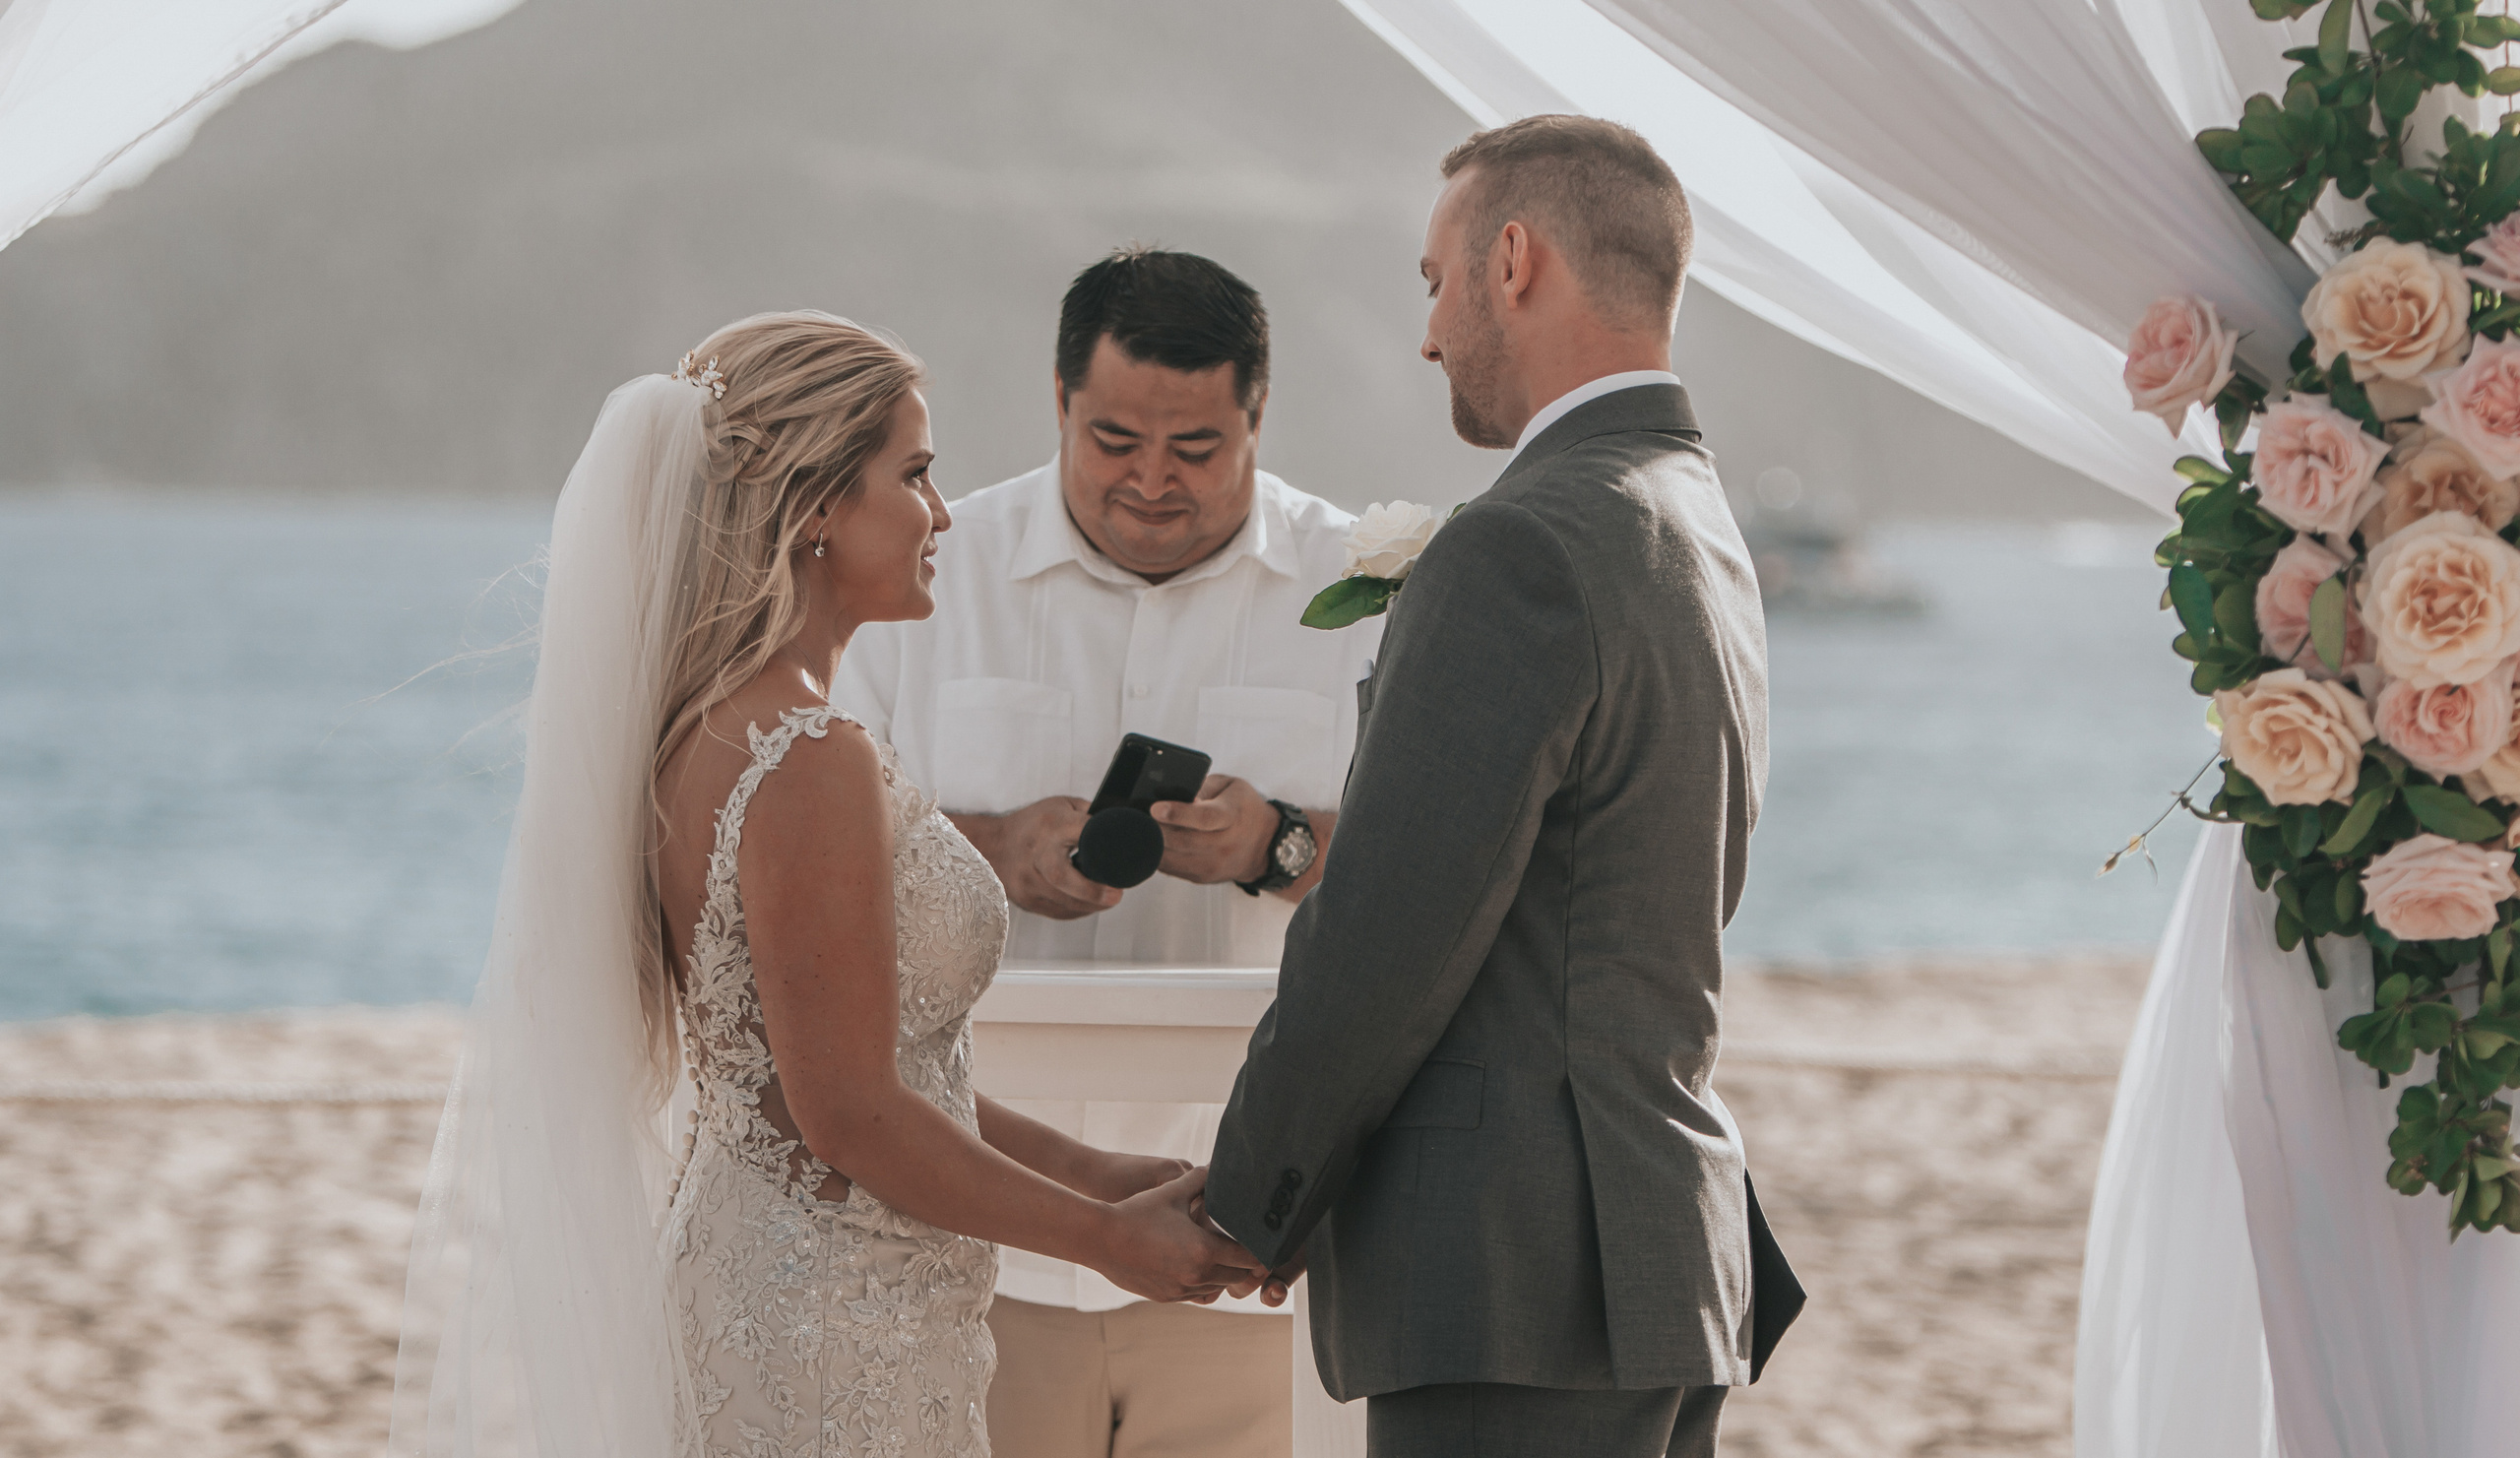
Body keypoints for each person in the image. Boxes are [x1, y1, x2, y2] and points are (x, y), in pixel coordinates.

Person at [390, 311, 1263, 1458]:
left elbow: (872, 1064)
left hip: (815, 1278)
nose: (942, 513)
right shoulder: (802, 753)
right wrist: (1102, 1235)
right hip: (831, 1308)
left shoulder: (720, 728)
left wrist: (1100, 1171)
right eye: (912, 474)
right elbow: (846, 1111)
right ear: (812, 506)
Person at [1205, 116, 1796, 1458]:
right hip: (1655, 1257)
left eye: (1433, 279)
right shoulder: (1694, 523)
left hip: (1510, 1283)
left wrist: (1248, 1202)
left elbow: (1387, 933)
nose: (1426, 335)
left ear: (1513, 260)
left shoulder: (1523, 543)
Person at [833, 249, 1383, 1458]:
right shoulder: (927, 572)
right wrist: (989, 847)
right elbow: (814, 847)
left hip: (1250, 1243)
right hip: (970, 1232)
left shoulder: (1363, 590)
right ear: (1057, 400)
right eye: (1113, 438)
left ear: (1259, 417)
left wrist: (1279, 840)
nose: (1149, 481)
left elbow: (1440, 873)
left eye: (1194, 448)